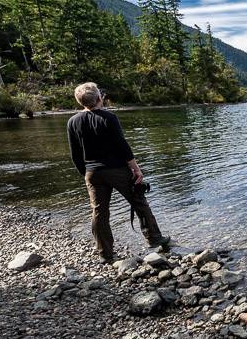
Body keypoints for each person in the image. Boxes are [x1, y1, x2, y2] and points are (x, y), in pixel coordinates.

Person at [66, 82, 169, 263]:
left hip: (92, 172)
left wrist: (86, 173)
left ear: (79, 101)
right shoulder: (109, 118)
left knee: (99, 212)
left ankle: (105, 253)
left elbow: (75, 155)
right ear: (99, 98)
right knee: (139, 201)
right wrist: (136, 169)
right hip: (117, 169)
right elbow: (122, 146)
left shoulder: (72, 121)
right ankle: (154, 238)